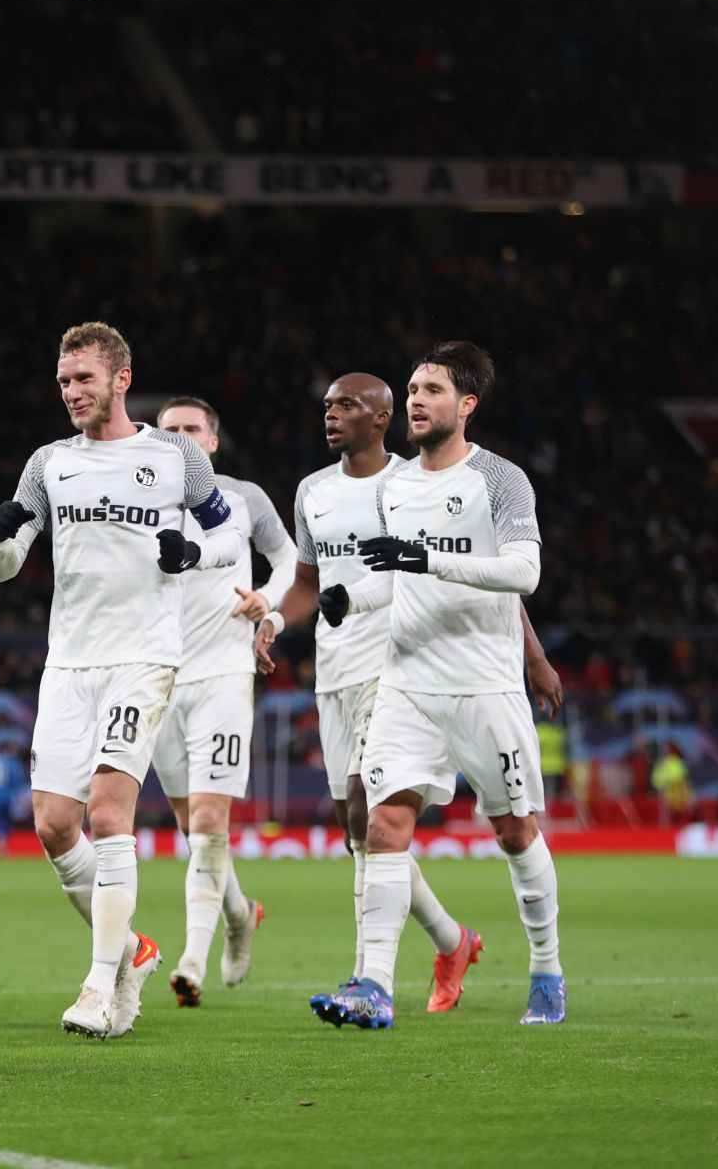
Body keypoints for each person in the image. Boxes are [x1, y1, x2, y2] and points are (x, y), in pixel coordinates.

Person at [0, 322, 243, 1038]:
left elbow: (228, 533)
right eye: (64, 380)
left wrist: (190, 551)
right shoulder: (47, 464)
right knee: (53, 823)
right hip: (69, 660)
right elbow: (5, 566)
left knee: (106, 815)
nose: (72, 392)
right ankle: (132, 951)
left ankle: (99, 985)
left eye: (84, 379)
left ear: (120, 380)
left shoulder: (174, 456)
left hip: (143, 657)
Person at [338, 341, 568, 1028]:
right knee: (383, 825)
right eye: (411, 388)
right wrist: (343, 602)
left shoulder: (500, 480)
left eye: (431, 389)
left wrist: (427, 560)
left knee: (516, 830)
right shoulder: (393, 486)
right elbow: (395, 577)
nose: (414, 400)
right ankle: (372, 985)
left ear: (466, 405)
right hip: (407, 682)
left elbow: (522, 573)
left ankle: (547, 971)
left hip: (483, 686)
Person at [247, 374, 485, 1025]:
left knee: (368, 809)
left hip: (403, 666)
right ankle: (452, 940)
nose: (331, 414)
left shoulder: (416, 484)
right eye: (326, 405)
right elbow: (305, 581)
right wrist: (273, 622)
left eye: (346, 405)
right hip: (336, 671)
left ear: (381, 418)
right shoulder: (313, 492)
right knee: (359, 832)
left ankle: (367, 981)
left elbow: (454, 569)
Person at [151, 396, 295, 1006]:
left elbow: (288, 556)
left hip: (223, 676)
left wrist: (269, 601)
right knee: (190, 827)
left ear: (212, 442)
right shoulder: (139, 498)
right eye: (169, 430)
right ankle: (240, 915)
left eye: (191, 429)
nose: (180, 437)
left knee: (210, 824)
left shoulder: (243, 498)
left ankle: (191, 961)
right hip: (155, 678)